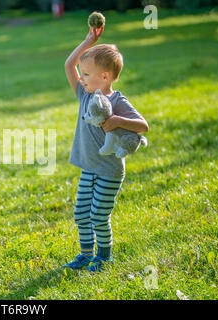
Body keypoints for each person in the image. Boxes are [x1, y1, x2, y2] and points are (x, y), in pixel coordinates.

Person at [63, 24, 149, 272]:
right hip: (88, 167)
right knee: (81, 215)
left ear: (106, 77)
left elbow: (143, 126)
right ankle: (85, 255)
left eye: (87, 74)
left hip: (109, 170)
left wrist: (119, 121)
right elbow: (69, 65)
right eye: (83, 74)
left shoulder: (117, 101)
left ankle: (104, 257)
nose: (82, 78)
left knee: (98, 216)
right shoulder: (85, 95)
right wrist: (87, 42)